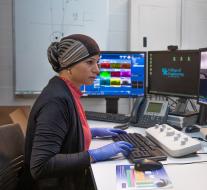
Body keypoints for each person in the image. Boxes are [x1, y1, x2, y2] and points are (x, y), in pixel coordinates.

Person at [21, 34, 133, 190]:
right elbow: (41, 166)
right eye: (90, 62)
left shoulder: (66, 91)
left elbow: (65, 132)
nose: (97, 70)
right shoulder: (56, 101)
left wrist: (91, 132)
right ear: (68, 66)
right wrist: (95, 154)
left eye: (97, 62)